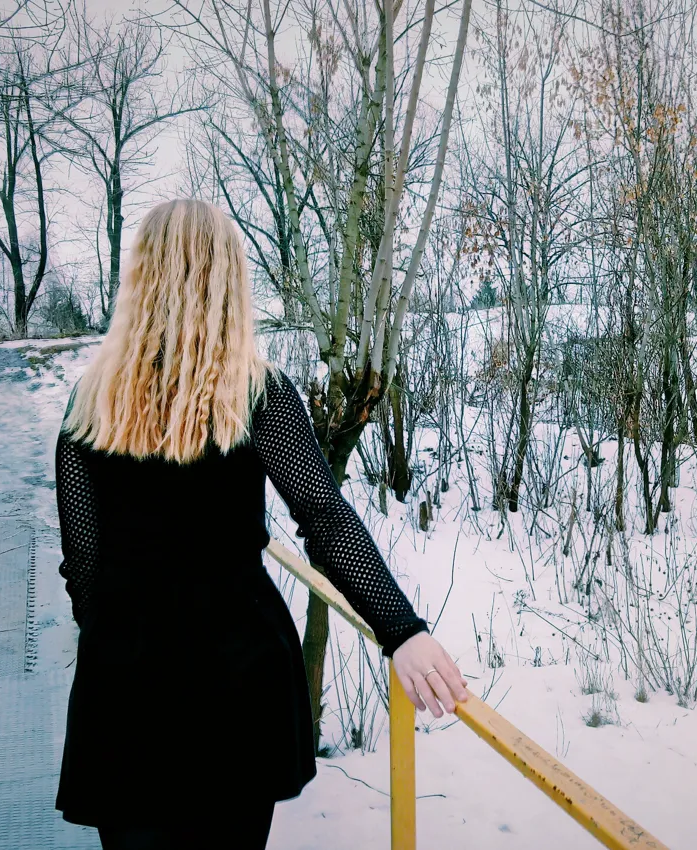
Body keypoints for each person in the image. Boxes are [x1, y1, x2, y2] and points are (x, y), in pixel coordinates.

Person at [53, 198, 467, 849]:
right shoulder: (253, 393)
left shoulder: (91, 400)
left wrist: (119, 635)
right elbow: (324, 518)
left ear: (141, 277)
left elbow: (83, 561)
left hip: (126, 686)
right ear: (228, 279)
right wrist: (401, 629)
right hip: (236, 680)